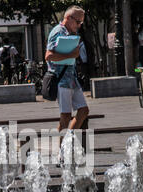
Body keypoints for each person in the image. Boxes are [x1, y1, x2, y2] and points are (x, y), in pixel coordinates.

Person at [45, 5, 89, 140]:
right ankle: (61, 151)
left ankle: (67, 141)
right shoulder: (58, 32)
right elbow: (49, 55)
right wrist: (71, 55)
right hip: (62, 80)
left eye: (81, 22)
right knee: (65, 116)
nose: (79, 25)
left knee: (83, 110)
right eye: (78, 22)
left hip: (71, 79)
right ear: (69, 18)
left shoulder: (70, 33)